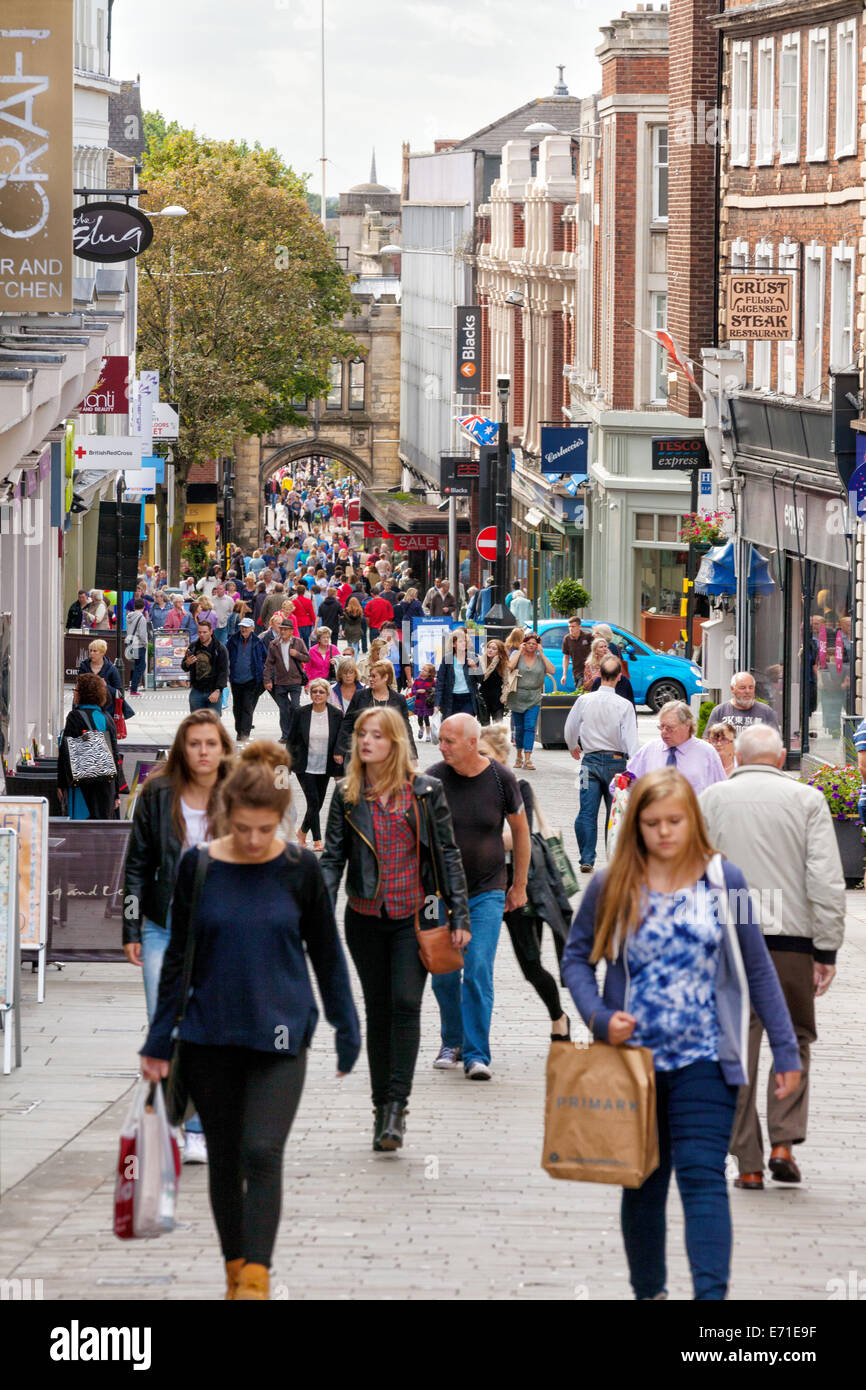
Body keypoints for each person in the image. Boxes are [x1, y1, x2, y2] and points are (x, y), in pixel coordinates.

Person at [562, 767, 801, 1300]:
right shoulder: (614, 882)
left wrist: (786, 1051)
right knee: (643, 1183)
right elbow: (576, 959)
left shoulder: (725, 881)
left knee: (701, 1176)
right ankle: (650, 1292)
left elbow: (757, 967)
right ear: (636, 826)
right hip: (634, 1062)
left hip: (707, 1061)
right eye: (652, 823)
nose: (665, 832)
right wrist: (600, 1017)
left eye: (675, 821)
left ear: (692, 821)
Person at [139, 742, 360, 1300]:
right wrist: (158, 1040)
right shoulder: (201, 866)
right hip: (210, 1034)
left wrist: (346, 1025)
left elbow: (327, 953)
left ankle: (257, 1283)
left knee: (262, 1151)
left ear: (280, 822)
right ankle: (236, 1271)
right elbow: (179, 962)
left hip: (281, 1034)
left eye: (266, 829)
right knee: (226, 1157)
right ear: (225, 817)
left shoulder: (299, 868)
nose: (256, 840)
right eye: (244, 828)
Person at [699, 725, 845, 1190]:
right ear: (782, 757)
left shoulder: (712, 799)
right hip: (791, 940)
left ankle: (748, 1160)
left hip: (730, 939)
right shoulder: (806, 801)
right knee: (796, 1036)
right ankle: (784, 1140)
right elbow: (823, 877)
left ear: (736, 756)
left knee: (736, 1049)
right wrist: (826, 947)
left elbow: (692, 869)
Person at [321, 706, 470, 1149]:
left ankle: (396, 1108)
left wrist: (458, 916)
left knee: (405, 1002)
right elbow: (331, 859)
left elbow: (447, 854)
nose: (366, 742)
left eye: (377, 735)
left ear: (395, 742)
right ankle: (379, 1106)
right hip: (364, 918)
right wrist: (318, 913)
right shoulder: (348, 795)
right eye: (362, 735)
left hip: (413, 918)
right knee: (378, 1011)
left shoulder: (425, 791)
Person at [122, 710, 233, 1163]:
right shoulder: (158, 794)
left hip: (220, 930)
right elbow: (136, 863)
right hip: (162, 925)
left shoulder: (239, 793)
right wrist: (131, 925)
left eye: (211, 743)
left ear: (223, 748)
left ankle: (199, 1125)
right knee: (165, 1024)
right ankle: (179, 1123)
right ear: (182, 749)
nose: (203, 752)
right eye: (195, 744)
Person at [428, 714, 530, 1079]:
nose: (442, 747)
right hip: (440, 892)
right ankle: (451, 1041)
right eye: (440, 740)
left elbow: (521, 833)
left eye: (448, 741)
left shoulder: (502, 780)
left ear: (472, 742)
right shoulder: (433, 779)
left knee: (478, 970)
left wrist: (518, 885)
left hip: (488, 890)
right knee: (443, 972)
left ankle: (475, 1054)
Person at [479, 723, 570, 1041]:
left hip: (518, 888)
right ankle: (470, 1039)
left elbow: (519, 839)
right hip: (479, 888)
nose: (481, 761)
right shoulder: (465, 789)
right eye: (477, 754)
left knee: (530, 964)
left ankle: (558, 1016)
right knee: (474, 967)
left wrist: (474, 837)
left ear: (502, 757)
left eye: (486, 755)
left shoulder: (519, 789)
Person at [565, 656, 640, 872]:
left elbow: (570, 727)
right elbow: (630, 739)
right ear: (619, 677)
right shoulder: (624, 705)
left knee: (587, 811)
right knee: (614, 812)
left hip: (589, 761)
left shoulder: (584, 700)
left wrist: (573, 745)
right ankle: (613, 858)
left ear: (599, 675)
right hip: (617, 763)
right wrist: (632, 766)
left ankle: (586, 858)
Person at [56, 673, 125, 820]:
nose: (74, 693)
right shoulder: (107, 718)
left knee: (83, 826)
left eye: (76, 690)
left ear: (82, 694)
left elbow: (65, 751)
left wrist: (61, 784)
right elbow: (115, 756)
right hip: (107, 784)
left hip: (83, 783)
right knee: (102, 829)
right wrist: (116, 793)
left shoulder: (75, 717)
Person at [287, 678, 344, 851]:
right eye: (314, 691)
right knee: (313, 801)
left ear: (327, 694)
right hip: (304, 765)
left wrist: (340, 761)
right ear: (310, 693)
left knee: (318, 802)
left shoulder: (336, 714)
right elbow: (292, 738)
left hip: (325, 765)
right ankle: (317, 839)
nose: (317, 695)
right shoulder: (300, 713)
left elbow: (340, 739)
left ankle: (303, 832)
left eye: (321, 692)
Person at [624, 700, 726, 795]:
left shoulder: (706, 752)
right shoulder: (650, 749)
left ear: (687, 726)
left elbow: (721, 791)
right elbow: (629, 781)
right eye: (662, 727)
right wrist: (624, 781)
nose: (664, 732)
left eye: (670, 728)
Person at [338, 660, 417, 760]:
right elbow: (347, 723)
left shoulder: (398, 699)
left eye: (374, 676)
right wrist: (339, 751)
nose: (370, 679)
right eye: (370, 676)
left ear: (385, 677)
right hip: (362, 753)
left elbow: (406, 728)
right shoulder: (360, 696)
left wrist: (412, 756)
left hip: (389, 755)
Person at [507, 631, 555, 771]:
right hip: (517, 696)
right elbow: (509, 667)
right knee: (519, 728)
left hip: (534, 696)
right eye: (529, 643)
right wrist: (519, 652)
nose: (531, 646)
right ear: (524, 644)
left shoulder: (540, 659)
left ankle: (528, 758)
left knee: (530, 727)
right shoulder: (518, 656)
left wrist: (543, 654)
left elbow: (551, 670)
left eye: (534, 644)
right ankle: (519, 755)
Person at [263, 620, 309, 738]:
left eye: (285, 629)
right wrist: (267, 680)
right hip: (280, 682)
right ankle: (285, 735)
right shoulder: (274, 644)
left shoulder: (298, 642)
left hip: (295, 680)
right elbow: (268, 664)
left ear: (291, 631)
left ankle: (297, 732)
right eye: (281, 628)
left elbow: (307, 658)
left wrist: (296, 654)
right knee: (283, 710)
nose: (282, 631)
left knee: (295, 707)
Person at [702, 672, 781, 738]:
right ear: (732, 689)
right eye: (742, 688)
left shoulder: (766, 712)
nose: (747, 691)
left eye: (751, 687)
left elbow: (776, 743)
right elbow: (708, 741)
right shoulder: (719, 711)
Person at [227, 616, 266, 743]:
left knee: (247, 706)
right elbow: (225, 654)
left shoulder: (257, 641)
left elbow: (265, 658)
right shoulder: (233, 640)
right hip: (236, 679)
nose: (243, 629)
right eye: (241, 627)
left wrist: (261, 674)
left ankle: (245, 733)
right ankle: (239, 730)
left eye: (246, 627)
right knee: (237, 707)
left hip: (251, 679)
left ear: (252, 628)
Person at [182, 617, 229, 712]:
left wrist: (218, 690)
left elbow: (224, 671)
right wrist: (187, 663)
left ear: (211, 632)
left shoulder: (219, 648)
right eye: (199, 632)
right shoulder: (193, 647)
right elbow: (184, 667)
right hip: (197, 690)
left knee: (213, 722)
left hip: (213, 690)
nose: (202, 635)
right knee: (196, 722)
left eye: (204, 632)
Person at [434, 627, 479, 719]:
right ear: (454, 644)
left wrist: (475, 667)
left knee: (466, 726)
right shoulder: (447, 659)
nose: (464, 643)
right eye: (461, 641)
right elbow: (440, 682)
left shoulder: (472, 656)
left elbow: (481, 679)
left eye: (465, 641)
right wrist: (437, 703)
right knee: (453, 728)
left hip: (468, 698)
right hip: (451, 698)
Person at [78, 638, 127, 716]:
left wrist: (105, 686)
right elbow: (79, 687)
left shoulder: (111, 669)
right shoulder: (84, 666)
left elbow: (119, 692)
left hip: (106, 710)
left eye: (95, 651)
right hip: (86, 708)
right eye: (90, 650)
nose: (91, 653)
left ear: (102, 653)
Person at [478, 639, 511, 725]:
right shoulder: (482, 660)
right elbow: (483, 678)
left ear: (499, 652)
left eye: (494, 648)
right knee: (485, 726)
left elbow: (506, 682)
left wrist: (505, 695)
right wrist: (493, 664)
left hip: (497, 698)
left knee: (498, 726)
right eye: (489, 647)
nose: (490, 650)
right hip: (483, 697)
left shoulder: (503, 664)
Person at [125, 597, 149, 695]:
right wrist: (146, 643)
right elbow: (142, 634)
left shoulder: (129, 616)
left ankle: (133, 687)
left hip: (130, 642)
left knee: (136, 665)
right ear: (143, 606)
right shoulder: (141, 618)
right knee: (141, 666)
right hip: (139, 644)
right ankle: (134, 689)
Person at [561, 615, 592, 689]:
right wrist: (564, 674)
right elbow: (566, 657)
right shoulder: (567, 639)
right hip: (576, 672)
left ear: (579, 627)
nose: (571, 629)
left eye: (573, 626)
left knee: (581, 692)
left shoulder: (588, 636)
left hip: (589, 671)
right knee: (579, 691)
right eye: (569, 626)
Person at [409, 662, 436, 742]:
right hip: (419, 703)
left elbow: (435, 690)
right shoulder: (417, 680)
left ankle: (428, 734)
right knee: (420, 718)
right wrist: (417, 691)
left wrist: (426, 691)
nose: (422, 671)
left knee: (426, 718)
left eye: (425, 670)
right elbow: (413, 691)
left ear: (429, 674)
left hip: (427, 703)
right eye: (422, 669)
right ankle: (421, 728)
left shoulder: (431, 681)